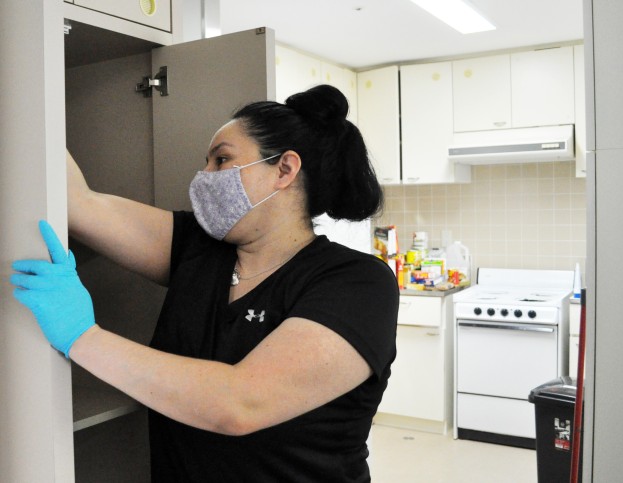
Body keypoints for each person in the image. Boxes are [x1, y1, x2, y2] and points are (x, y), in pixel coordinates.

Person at [11, 84, 399, 482]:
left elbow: (239, 403)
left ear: (284, 169)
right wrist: (21, 87)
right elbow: (78, 202)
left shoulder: (357, 283)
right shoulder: (196, 249)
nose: (203, 176)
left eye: (221, 159)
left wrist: (82, 336)